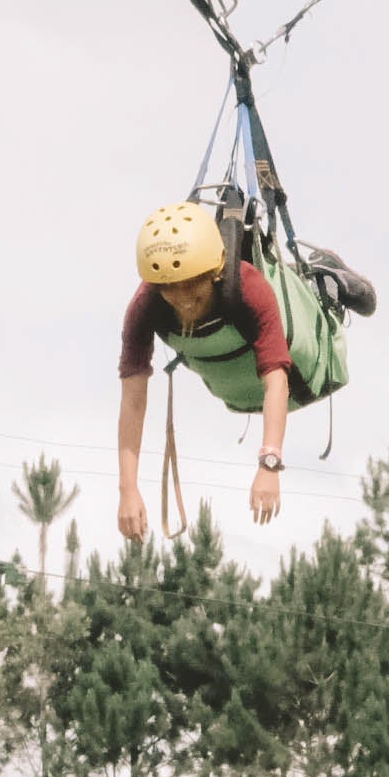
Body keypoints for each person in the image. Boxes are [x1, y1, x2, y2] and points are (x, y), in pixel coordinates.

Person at [118, 201, 288, 537]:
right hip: (228, 380)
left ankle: (330, 282)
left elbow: (277, 380)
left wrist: (269, 464)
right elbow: (133, 400)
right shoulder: (145, 306)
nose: (180, 296)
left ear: (214, 272)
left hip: (275, 366)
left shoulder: (251, 289)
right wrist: (128, 489)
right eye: (169, 286)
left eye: (191, 284)